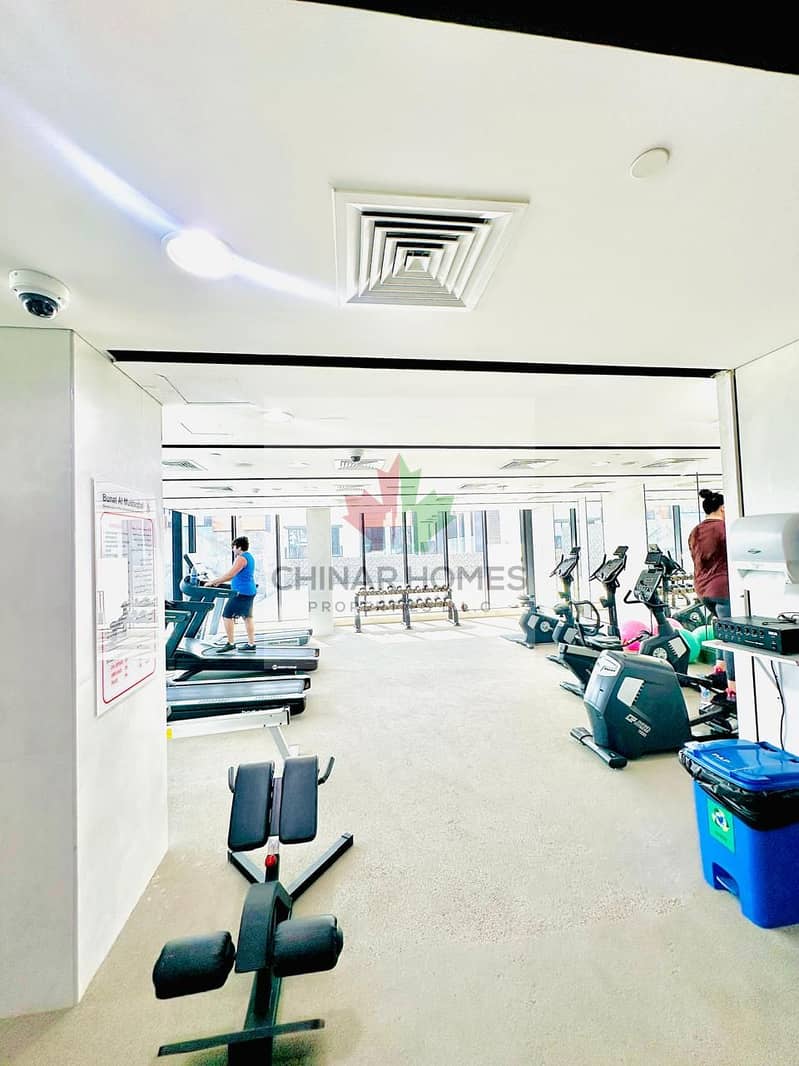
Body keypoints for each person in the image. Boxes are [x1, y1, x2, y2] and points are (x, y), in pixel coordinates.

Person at [688, 489, 735, 704]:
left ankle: (720, 671)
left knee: (721, 631)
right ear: (723, 508)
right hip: (722, 589)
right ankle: (733, 689)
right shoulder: (724, 528)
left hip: (703, 590)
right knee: (731, 638)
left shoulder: (695, 530)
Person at [206, 536, 258, 653]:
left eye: (233, 547)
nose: (233, 550)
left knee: (227, 615)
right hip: (249, 591)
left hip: (242, 593)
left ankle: (230, 643)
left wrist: (213, 582)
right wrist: (218, 582)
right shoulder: (249, 556)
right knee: (247, 617)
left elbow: (230, 575)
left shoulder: (241, 558)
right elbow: (237, 575)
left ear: (239, 547)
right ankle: (251, 644)